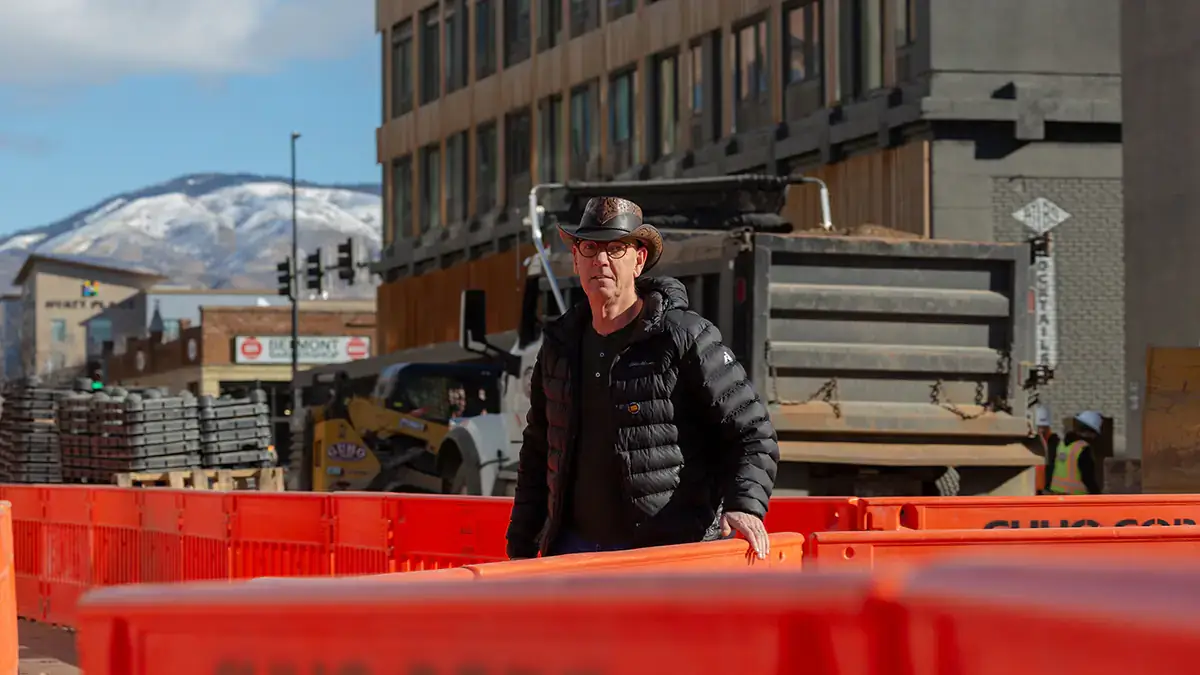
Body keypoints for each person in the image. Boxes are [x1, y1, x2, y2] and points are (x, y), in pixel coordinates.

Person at [505, 196, 780, 560]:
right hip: (573, 554)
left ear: (639, 260)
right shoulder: (560, 346)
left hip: (664, 557)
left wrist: (745, 504)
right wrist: (521, 543)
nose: (600, 260)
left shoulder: (683, 338)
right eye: (589, 247)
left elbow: (753, 433)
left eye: (615, 248)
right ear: (575, 260)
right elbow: (539, 449)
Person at [1046, 410, 1103, 495]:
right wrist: (1097, 495)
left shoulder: (1061, 444)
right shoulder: (1083, 448)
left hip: (1057, 494)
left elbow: (1051, 468)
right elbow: (1087, 477)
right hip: (1076, 497)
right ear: (1090, 432)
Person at [1033, 405, 1060, 493]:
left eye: (1043, 427)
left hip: (1047, 486)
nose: (1041, 429)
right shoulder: (1034, 440)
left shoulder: (1054, 441)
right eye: (1039, 427)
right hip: (1036, 486)